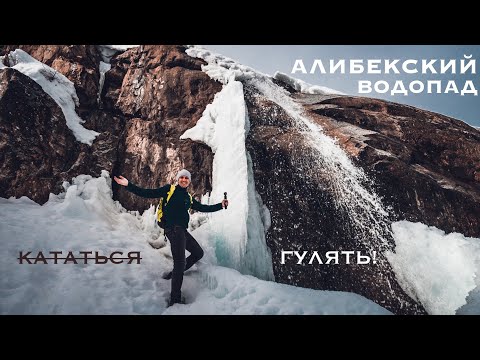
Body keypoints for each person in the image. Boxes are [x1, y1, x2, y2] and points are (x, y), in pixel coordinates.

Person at [114, 169, 228, 307]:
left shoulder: (189, 198)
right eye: (182, 177)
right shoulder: (169, 190)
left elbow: (203, 207)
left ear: (189, 181)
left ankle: (173, 274)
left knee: (198, 253)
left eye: (187, 178)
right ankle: (175, 299)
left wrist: (220, 206)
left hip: (182, 230)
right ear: (178, 179)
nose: (184, 180)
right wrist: (128, 185)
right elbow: (148, 193)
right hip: (173, 230)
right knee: (180, 263)